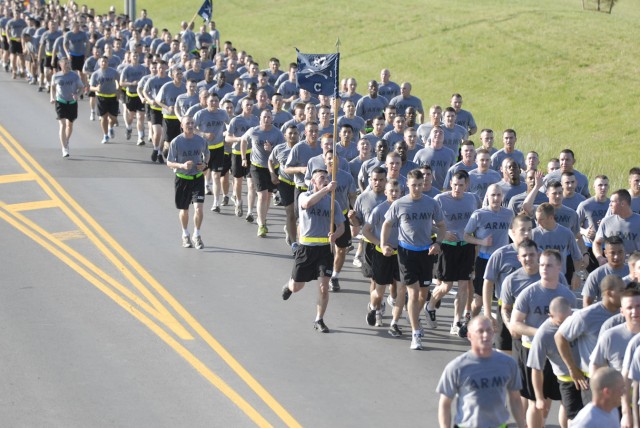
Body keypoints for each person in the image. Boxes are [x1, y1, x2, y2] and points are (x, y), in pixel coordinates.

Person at [511, 249, 577, 428]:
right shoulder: (529, 293)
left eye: (548, 265)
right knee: (536, 402)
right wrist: (541, 333)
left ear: (559, 267)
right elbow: (515, 324)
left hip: (559, 353)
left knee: (565, 400)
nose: (544, 269)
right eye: (541, 265)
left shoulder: (568, 296)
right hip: (532, 351)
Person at [381, 169, 446, 350]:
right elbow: (387, 224)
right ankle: (415, 332)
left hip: (426, 253)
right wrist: (384, 243)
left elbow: (441, 226)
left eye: (419, 185)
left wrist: (438, 243)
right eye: (413, 185)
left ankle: (414, 319)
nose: (416, 189)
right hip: (406, 253)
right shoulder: (399, 204)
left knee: (423, 295)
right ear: (407, 185)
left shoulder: (431, 203)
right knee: (414, 292)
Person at [281, 169, 345, 333]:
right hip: (306, 248)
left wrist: (335, 235)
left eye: (327, 178)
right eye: (321, 178)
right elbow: (306, 205)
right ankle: (289, 286)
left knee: (324, 287)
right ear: (313, 182)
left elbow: (341, 227)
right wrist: (326, 190)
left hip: (324, 250)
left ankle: (319, 319)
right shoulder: (304, 195)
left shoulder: (333, 203)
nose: (325, 180)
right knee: (297, 287)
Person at [436, 316, 525, 428]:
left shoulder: (508, 364)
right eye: (480, 331)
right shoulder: (457, 367)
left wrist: (522, 424)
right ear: (469, 336)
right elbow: (445, 403)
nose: (485, 335)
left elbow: (515, 399)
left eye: (489, 331)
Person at [555, 275, 625, 416]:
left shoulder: (624, 312)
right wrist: (572, 369)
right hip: (594, 381)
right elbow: (560, 336)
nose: (625, 293)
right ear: (609, 293)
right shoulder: (586, 315)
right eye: (622, 290)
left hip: (618, 380)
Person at [428, 171, 479, 336]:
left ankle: (456, 322)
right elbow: (427, 223)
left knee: (464, 285)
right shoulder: (440, 200)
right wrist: (443, 232)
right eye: (455, 184)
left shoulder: (472, 199)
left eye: (461, 185)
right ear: (451, 183)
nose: (457, 188)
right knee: (446, 285)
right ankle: (430, 305)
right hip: (448, 247)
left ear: (467, 185)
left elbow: (478, 221)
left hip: (466, 246)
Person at [463, 184, 514, 317]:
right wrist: (481, 242)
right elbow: (466, 236)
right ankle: (470, 320)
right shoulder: (479, 214)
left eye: (498, 195)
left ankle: (500, 329)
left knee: (504, 298)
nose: (496, 198)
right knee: (479, 301)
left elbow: (513, 231)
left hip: (503, 262)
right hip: (485, 260)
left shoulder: (508, 214)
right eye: (493, 195)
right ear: (487, 196)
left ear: (502, 196)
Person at [526, 296, 576, 428]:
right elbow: (536, 369)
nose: (565, 325)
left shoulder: (577, 320)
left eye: (567, 319)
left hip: (582, 373)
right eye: (560, 322)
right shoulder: (543, 334)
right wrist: (539, 398)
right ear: (550, 315)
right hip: (564, 375)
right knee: (570, 411)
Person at [165, 116, 209, 249]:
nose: (190, 125)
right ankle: (185, 234)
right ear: (182, 126)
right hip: (182, 179)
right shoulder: (176, 142)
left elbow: (207, 153)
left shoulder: (200, 140)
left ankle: (197, 234)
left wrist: (205, 164)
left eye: (192, 123)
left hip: (197, 178)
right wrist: (182, 166)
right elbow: (169, 162)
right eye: (187, 123)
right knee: (184, 211)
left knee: (199, 208)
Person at [363, 179, 401, 330]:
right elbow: (366, 230)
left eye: (396, 191)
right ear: (385, 192)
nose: (394, 193)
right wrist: (381, 244)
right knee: (379, 293)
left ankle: (395, 322)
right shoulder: (379, 210)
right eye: (391, 191)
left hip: (401, 254)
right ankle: (374, 308)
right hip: (382, 255)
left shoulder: (404, 208)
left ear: (401, 192)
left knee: (399, 290)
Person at [241, 110, 285, 237]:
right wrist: (244, 158)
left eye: (269, 117)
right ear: (260, 118)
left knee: (269, 195)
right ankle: (261, 224)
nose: (266, 119)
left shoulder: (277, 133)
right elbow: (243, 140)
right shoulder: (253, 131)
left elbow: (282, 150)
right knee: (262, 195)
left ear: (272, 119)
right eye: (264, 117)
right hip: (257, 166)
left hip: (272, 167)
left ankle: (263, 218)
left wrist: (272, 150)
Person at [532, 203, 584, 289]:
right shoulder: (533, 234)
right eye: (536, 219)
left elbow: (577, 257)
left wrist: (577, 275)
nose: (537, 222)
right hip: (539, 281)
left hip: (560, 280)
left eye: (541, 219)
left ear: (551, 217)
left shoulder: (566, 233)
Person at [193, 93, 230, 212]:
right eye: (211, 101)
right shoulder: (201, 114)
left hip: (219, 148)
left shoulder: (223, 113)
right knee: (202, 173)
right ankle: (200, 191)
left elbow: (229, 124)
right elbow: (191, 128)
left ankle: (216, 203)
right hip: (204, 148)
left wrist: (228, 133)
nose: (214, 103)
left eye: (216, 101)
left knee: (216, 175)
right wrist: (204, 134)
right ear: (206, 102)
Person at [225, 97, 259, 221]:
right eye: (247, 105)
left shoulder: (256, 120)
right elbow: (228, 138)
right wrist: (240, 139)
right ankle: (239, 202)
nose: (249, 107)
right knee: (238, 181)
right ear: (242, 106)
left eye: (251, 105)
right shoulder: (236, 120)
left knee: (251, 184)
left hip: (252, 154)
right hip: (237, 153)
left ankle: (250, 212)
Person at [268, 124, 299, 246]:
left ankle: (289, 227)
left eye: (295, 133)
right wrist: (272, 174)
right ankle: (294, 243)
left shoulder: (302, 148)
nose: (292, 136)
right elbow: (270, 160)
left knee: (298, 214)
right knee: (290, 212)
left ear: (299, 135)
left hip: (299, 184)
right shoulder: (279, 148)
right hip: (285, 183)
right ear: (285, 135)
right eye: (290, 133)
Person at [50, 57, 84, 158]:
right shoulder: (56, 76)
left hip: (72, 102)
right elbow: (52, 86)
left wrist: (77, 95)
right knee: (62, 125)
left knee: (70, 125)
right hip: (60, 102)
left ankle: (66, 140)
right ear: (61, 65)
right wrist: (52, 97)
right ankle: (64, 148)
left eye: (69, 63)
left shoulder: (74, 76)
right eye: (66, 64)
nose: (68, 65)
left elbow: (82, 88)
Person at [582, 236, 629, 306]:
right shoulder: (596, 275)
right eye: (612, 253)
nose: (617, 256)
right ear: (605, 253)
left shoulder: (633, 272)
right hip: (605, 316)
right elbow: (586, 303)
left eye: (620, 252)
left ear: (624, 251)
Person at [593, 189, 640, 260]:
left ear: (622, 203)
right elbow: (597, 242)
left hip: (634, 267)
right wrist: (600, 258)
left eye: (612, 202)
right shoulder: (606, 221)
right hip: (612, 267)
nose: (610, 205)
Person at [577, 175, 610, 272]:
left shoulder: (612, 204)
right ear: (594, 187)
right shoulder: (585, 205)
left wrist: (606, 225)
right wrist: (584, 231)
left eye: (605, 185)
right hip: (590, 247)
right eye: (600, 185)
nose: (603, 188)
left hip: (608, 248)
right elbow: (574, 226)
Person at [413, 126, 457, 191]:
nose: (438, 134)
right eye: (435, 132)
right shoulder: (421, 153)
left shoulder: (450, 153)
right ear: (430, 135)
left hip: (443, 190)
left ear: (444, 136)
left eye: (441, 132)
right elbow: (414, 173)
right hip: (424, 190)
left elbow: (454, 173)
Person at [89, 56, 120, 144]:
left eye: (105, 61)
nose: (104, 63)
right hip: (101, 97)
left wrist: (118, 92)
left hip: (112, 96)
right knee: (103, 117)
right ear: (99, 63)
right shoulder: (95, 74)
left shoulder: (114, 72)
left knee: (113, 118)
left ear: (108, 62)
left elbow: (119, 82)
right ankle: (105, 135)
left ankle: (110, 127)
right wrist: (96, 89)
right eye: (102, 62)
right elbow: (90, 87)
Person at [119, 51, 147, 145]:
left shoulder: (143, 68)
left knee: (140, 117)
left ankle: (140, 137)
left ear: (139, 57)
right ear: (130, 58)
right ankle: (129, 127)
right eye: (133, 56)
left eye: (136, 56)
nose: (135, 57)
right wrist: (131, 83)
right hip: (131, 95)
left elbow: (147, 79)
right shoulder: (126, 69)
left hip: (140, 95)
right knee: (131, 116)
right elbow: (121, 83)